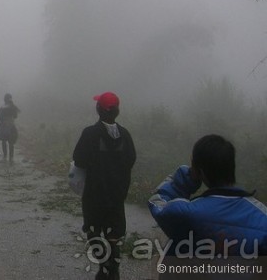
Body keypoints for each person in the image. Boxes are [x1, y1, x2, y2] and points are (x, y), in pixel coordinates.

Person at [149, 134, 267, 265]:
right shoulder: (262, 216)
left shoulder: (187, 213)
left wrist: (184, 180)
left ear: (199, 171)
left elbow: (157, 203)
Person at [72, 92, 136, 280]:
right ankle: (112, 266)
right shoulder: (125, 135)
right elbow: (131, 159)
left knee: (93, 230)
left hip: (94, 194)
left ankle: (105, 265)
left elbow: (79, 160)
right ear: (117, 111)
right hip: (117, 195)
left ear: (98, 109)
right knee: (113, 232)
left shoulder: (90, 133)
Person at [0, 93, 20, 164]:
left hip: (3, 127)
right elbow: (15, 116)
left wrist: (4, 118)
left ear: (4, 99)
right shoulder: (13, 107)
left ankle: (5, 156)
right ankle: (11, 158)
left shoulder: (3, 107)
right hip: (11, 127)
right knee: (11, 142)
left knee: (3, 141)